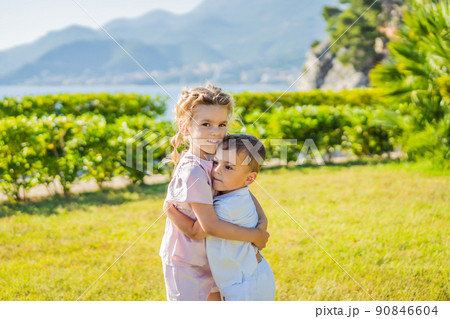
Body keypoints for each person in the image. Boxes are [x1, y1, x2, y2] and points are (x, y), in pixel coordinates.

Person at [159, 85, 269, 301]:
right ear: (186, 127)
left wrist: (262, 219)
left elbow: (240, 188)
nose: (216, 132)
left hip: (212, 256)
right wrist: (254, 236)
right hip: (187, 262)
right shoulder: (193, 171)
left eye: (222, 124)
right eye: (206, 124)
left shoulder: (214, 158)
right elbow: (202, 229)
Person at [166, 134, 275, 301]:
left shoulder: (223, 207)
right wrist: (263, 220)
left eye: (228, 167)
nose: (216, 170)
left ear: (249, 178)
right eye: (215, 162)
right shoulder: (238, 193)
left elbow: (196, 232)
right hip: (256, 273)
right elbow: (250, 193)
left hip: (245, 286)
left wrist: (169, 209)